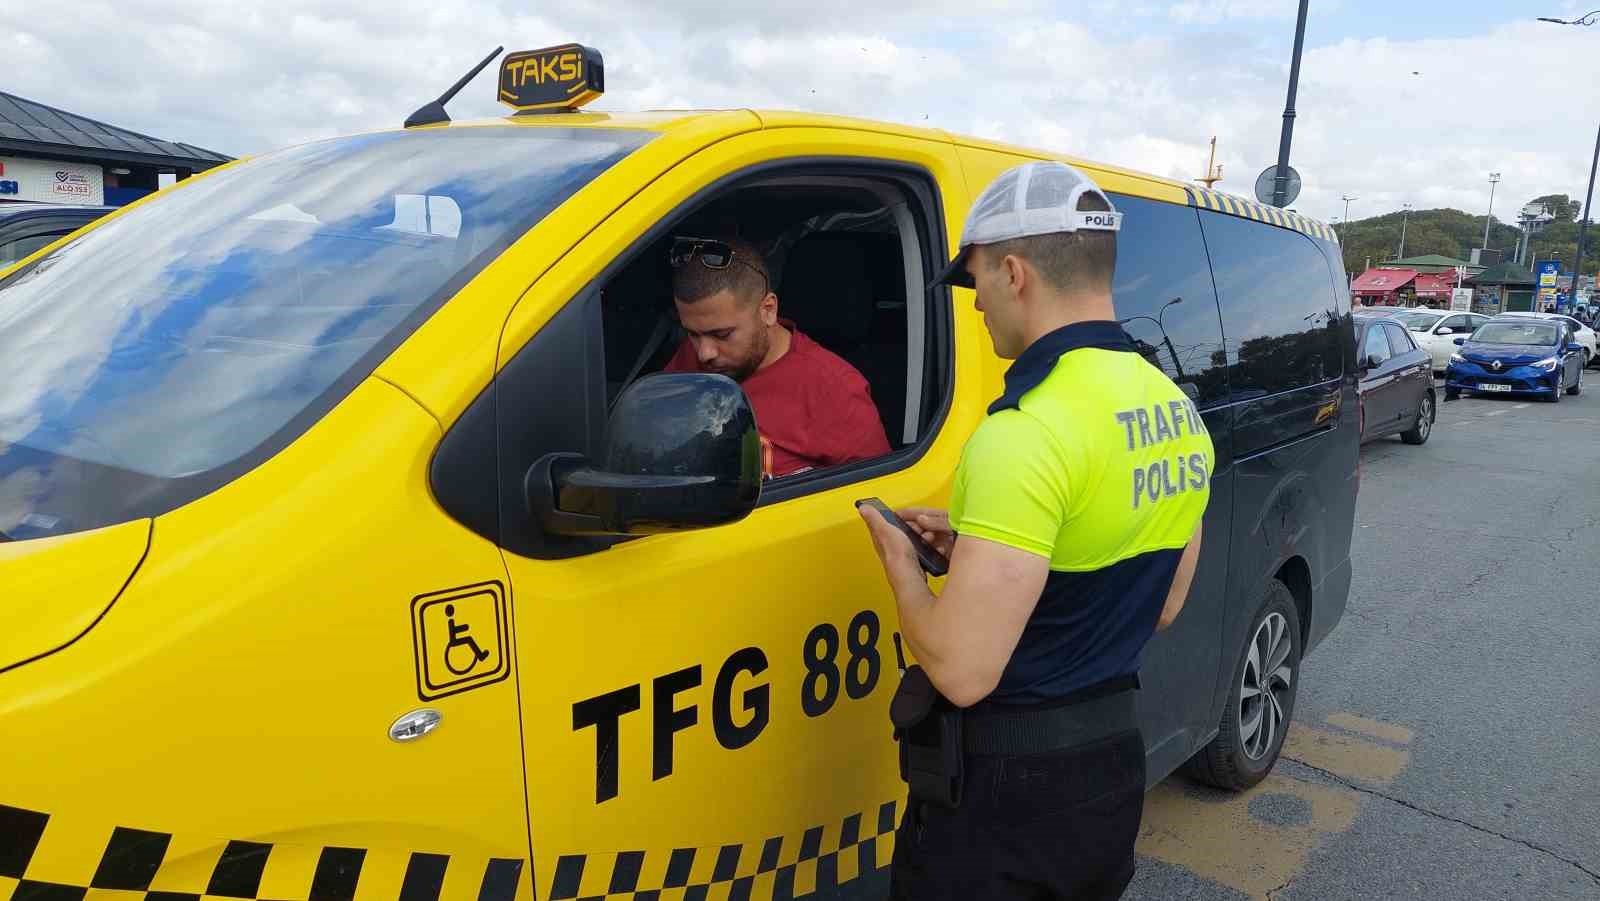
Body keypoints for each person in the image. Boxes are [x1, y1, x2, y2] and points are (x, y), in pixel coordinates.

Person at [857, 162, 1214, 900]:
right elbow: (1162, 603)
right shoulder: (1176, 408)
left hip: (1002, 805)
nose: (977, 304)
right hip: (1109, 776)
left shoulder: (1024, 434)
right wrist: (989, 548)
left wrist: (900, 563)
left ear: (1014, 273)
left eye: (976, 281)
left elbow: (961, 672)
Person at [663, 235, 890, 478]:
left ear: (768, 310)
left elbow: (878, 493)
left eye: (722, 335)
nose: (704, 353)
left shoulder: (834, 390)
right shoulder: (691, 357)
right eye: (692, 334)